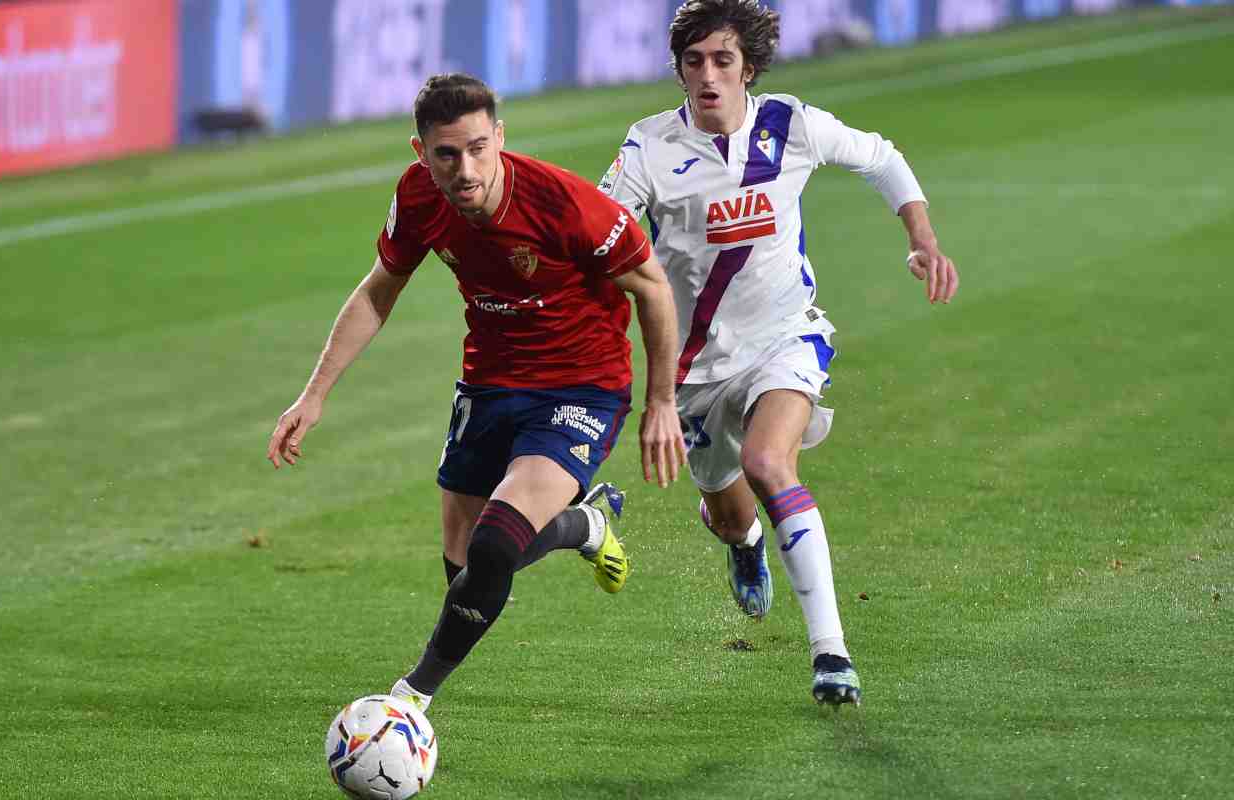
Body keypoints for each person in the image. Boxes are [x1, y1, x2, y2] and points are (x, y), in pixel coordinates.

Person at [268, 73, 687, 710]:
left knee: (493, 547)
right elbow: (379, 289)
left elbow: (652, 287)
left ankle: (409, 702)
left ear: (499, 138)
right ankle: (581, 526)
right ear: (420, 153)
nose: (464, 170)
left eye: (477, 149)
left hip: (581, 386)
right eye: (446, 154)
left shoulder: (563, 203)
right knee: (465, 568)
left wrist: (661, 403)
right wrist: (314, 394)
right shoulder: (417, 198)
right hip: (488, 384)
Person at [597, 0, 959, 707]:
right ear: (678, 69)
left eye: (722, 60)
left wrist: (923, 238)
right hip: (691, 372)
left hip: (783, 338)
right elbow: (601, 237)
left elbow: (881, 157)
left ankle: (831, 653)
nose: (707, 75)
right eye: (693, 61)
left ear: (748, 68)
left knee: (768, 462)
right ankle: (743, 543)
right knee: (731, 512)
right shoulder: (648, 149)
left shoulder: (791, 125)